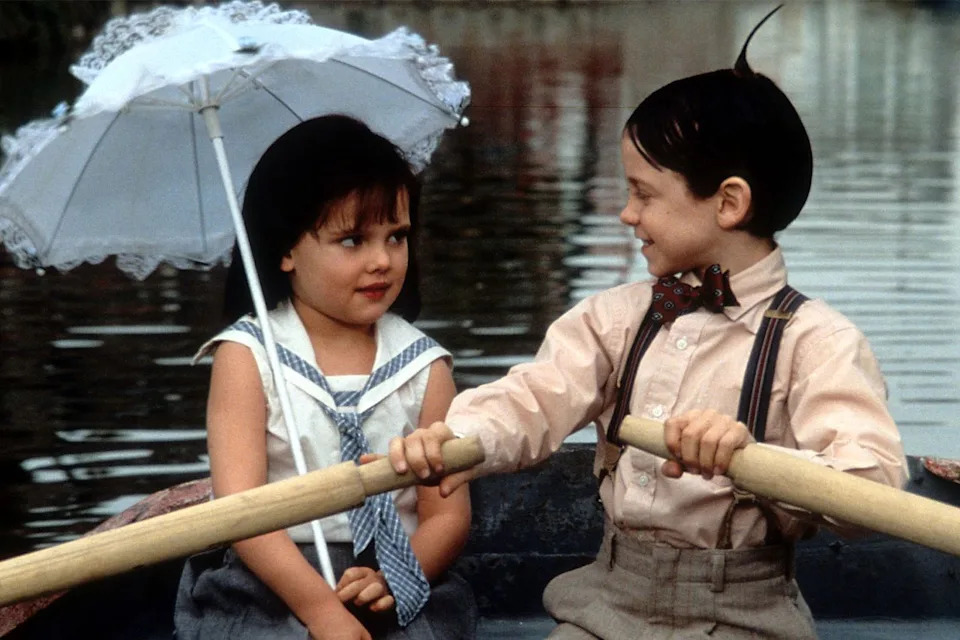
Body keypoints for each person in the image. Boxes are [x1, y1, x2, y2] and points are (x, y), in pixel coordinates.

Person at [388, 8, 907, 640]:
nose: (628, 214)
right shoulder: (616, 318)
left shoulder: (819, 341)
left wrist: (751, 456)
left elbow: (873, 485)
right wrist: (453, 437)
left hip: (746, 614)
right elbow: (530, 399)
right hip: (607, 600)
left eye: (644, 194)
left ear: (729, 202)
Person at [174, 115, 475, 640]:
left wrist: (395, 580)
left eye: (397, 237)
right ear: (287, 249)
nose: (383, 260)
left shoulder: (424, 367)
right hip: (274, 572)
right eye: (353, 240)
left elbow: (446, 518)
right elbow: (240, 511)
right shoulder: (249, 357)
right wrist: (321, 610)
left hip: (394, 570)